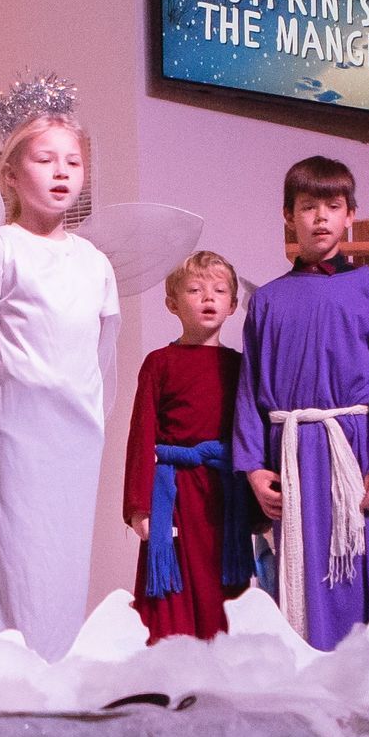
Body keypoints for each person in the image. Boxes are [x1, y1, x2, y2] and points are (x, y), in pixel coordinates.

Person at [0, 109, 120, 661]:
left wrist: (94, 423)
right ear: (10, 173)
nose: (61, 173)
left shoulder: (95, 262)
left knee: (64, 562)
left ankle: (57, 670)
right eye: (45, 159)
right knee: (16, 556)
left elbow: (103, 355)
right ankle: (12, 674)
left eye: (73, 162)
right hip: (16, 432)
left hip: (75, 437)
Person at [233, 156, 369, 650]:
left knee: (356, 571)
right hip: (292, 455)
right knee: (299, 571)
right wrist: (252, 467)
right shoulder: (267, 300)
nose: (321, 218)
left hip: (352, 452)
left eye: (333, 206)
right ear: (289, 216)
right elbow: (249, 388)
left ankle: (368, 689)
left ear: (351, 214)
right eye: (308, 207)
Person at [122, 250, 256, 642]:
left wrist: (256, 505)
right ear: (172, 303)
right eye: (195, 290)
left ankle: (222, 682)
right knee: (171, 587)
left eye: (219, 290)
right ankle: (170, 679)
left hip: (223, 496)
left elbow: (250, 433)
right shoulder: (158, 363)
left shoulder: (240, 366)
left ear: (232, 304)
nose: (208, 298)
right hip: (173, 494)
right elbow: (141, 435)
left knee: (222, 588)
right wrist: (138, 507)